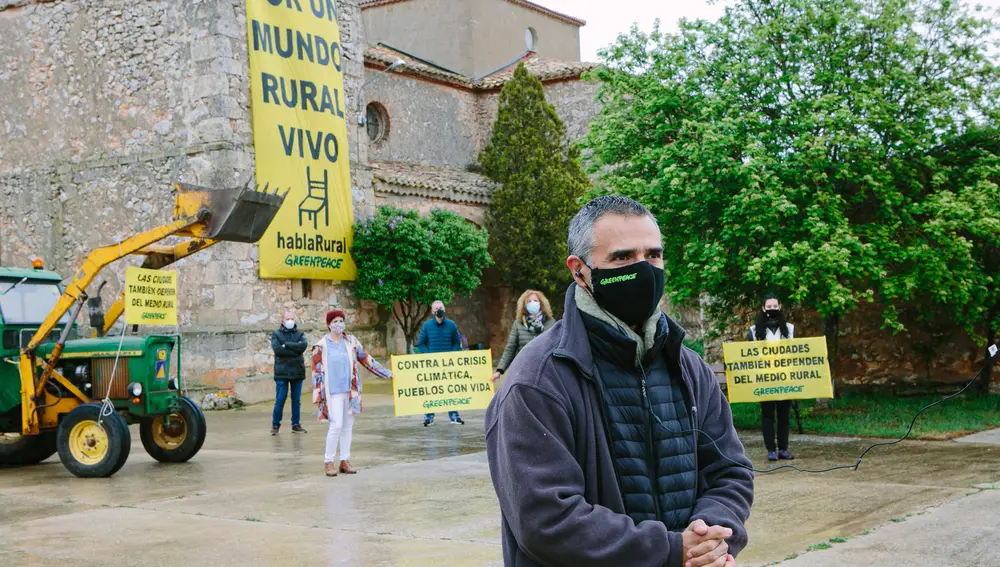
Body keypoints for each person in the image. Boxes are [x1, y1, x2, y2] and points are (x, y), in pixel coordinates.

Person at [486, 196, 754, 567]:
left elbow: (729, 471)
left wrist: (711, 539)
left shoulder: (688, 367)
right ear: (579, 270)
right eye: (623, 257)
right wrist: (670, 550)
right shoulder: (536, 381)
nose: (643, 270)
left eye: (653, 255)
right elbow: (546, 519)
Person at [311, 309, 392, 477]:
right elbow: (316, 373)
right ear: (328, 325)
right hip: (332, 392)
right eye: (335, 321)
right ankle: (328, 462)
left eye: (341, 320)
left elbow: (366, 359)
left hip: (350, 390)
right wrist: (318, 396)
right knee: (336, 426)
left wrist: (386, 373)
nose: (339, 324)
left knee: (348, 426)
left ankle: (344, 461)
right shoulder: (321, 346)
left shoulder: (351, 342)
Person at [749, 295, 795, 462]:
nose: (772, 308)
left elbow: (796, 352)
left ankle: (783, 448)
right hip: (764, 379)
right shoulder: (754, 331)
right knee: (768, 415)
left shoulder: (789, 329)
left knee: (784, 416)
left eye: (775, 305)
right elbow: (749, 356)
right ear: (763, 308)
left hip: (785, 378)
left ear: (780, 306)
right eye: (769, 306)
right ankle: (771, 450)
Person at [416, 300, 465, 426]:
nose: (439, 310)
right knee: (431, 390)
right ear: (432, 311)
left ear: (445, 309)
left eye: (441, 307)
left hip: (448, 364)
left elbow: (456, 342)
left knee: (451, 389)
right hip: (432, 365)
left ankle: (454, 416)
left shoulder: (451, 325)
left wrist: (452, 354)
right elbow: (421, 343)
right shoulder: (427, 326)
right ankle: (429, 417)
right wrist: (429, 356)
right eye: (437, 308)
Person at [493, 289, 555, 382]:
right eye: (529, 301)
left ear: (541, 303)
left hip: (546, 371)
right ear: (524, 305)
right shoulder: (518, 324)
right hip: (524, 370)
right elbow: (511, 348)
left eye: (535, 301)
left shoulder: (551, 322)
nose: (532, 303)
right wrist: (499, 370)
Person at [270, 309, 308, 436]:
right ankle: (275, 424)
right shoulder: (276, 334)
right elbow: (278, 351)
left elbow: (303, 347)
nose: (290, 321)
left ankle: (296, 424)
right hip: (282, 372)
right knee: (280, 399)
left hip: (297, 371)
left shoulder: (300, 334)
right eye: (287, 319)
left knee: (296, 400)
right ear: (282, 321)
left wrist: (286, 345)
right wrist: (294, 348)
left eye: (292, 318)